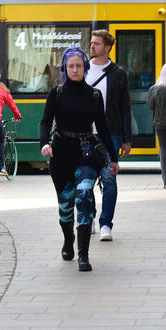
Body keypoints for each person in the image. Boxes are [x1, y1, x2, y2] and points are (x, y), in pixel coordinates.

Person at [40, 47, 119, 272]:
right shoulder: (57, 93)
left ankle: (84, 255)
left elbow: (102, 127)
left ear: (85, 67)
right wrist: (44, 143)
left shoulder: (94, 95)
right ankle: (68, 240)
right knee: (65, 205)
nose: (75, 70)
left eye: (79, 66)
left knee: (84, 195)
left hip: (86, 153)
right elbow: (45, 122)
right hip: (61, 154)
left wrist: (113, 158)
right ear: (65, 68)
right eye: (71, 66)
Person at [87, 29, 132, 241]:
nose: (92, 46)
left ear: (107, 47)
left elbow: (125, 108)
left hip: (110, 135)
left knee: (109, 181)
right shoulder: (82, 70)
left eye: (96, 43)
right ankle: (90, 217)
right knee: (85, 181)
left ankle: (106, 224)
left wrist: (126, 138)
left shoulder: (118, 73)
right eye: (92, 43)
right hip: (84, 135)